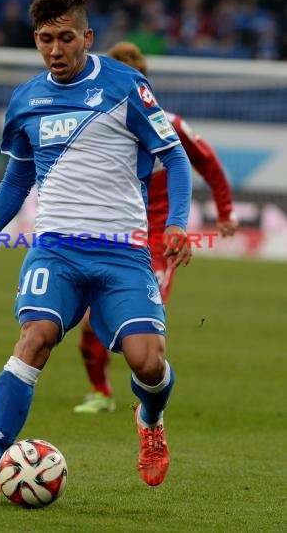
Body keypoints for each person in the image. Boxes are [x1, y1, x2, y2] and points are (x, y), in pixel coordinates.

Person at [0, 0, 192, 505]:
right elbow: (17, 179)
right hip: (55, 249)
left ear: (87, 36)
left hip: (123, 252)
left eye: (66, 38)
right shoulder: (28, 97)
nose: (55, 50)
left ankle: (150, 419)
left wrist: (179, 223)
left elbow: (176, 157)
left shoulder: (126, 85)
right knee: (35, 338)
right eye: (45, 39)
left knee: (148, 363)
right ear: (36, 39)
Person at [74, 41, 239, 415]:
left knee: (140, 328)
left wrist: (225, 212)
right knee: (88, 320)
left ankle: (149, 404)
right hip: (110, 234)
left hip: (158, 242)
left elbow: (208, 164)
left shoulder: (170, 126)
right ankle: (100, 392)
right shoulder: (97, 131)